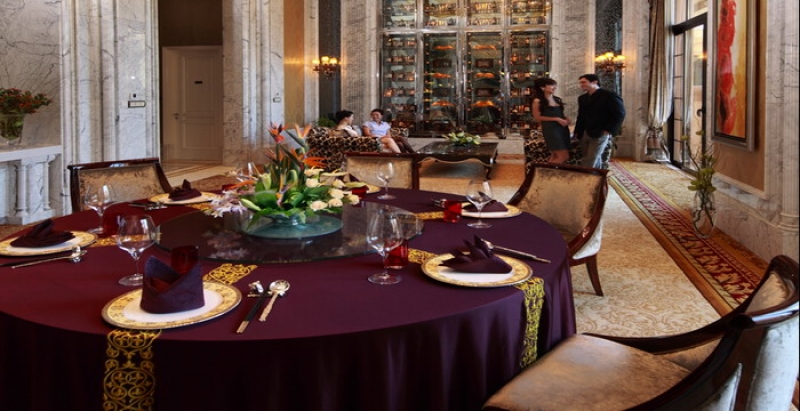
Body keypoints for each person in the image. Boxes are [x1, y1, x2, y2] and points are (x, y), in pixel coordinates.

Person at [573, 73, 626, 169]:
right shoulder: (582, 98)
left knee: (590, 158)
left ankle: (585, 176)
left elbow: (619, 114)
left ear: (594, 82)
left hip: (600, 132)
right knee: (591, 157)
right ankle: (596, 176)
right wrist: (577, 131)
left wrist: (608, 130)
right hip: (584, 132)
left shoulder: (609, 96)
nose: (581, 85)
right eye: (580, 83)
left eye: (584, 82)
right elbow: (581, 116)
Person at [531, 78, 571, 163]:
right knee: (564, 156)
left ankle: (546, 171)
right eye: (552, 85)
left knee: (555, 156)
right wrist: (556, 119)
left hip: (562, 129)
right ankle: (544, 171)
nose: (555, 87)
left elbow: (558, 114)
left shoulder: (557, 99)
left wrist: (565, 119)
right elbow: (537, 117)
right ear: (542, 87)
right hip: (551, 130)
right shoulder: (537, 101)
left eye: (555, 85)